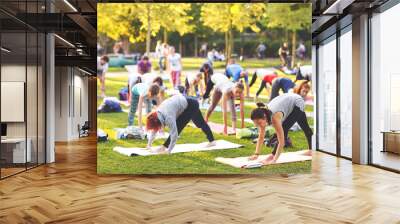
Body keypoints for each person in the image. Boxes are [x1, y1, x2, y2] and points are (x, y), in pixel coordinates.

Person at [248, 93, 312, 164]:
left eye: (259, 123)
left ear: (264, 117)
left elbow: (282, 141)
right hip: (291, 100)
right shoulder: (264, 115)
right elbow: (261, 137)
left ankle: (272, 155)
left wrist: (274, 160)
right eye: (256, 123)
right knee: (305, 127)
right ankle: (311, 150)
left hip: (297, 102)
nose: (258, 125)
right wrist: (256, 154)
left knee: (285, 128)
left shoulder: (275, 118)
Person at [146, 94, 216, 153]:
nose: (158, 128)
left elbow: (175, 134)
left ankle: (164, 147)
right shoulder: (157, 114)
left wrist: (168, 151)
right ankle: (212, 141)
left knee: (179, 125)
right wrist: (149, 145)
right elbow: (154, 129)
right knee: (200, 123)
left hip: (191, 104)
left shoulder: (168, 117)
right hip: (188, 101)